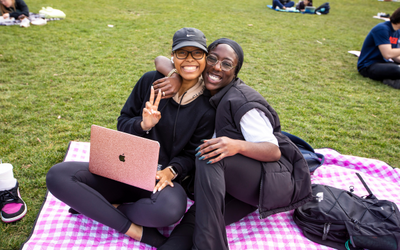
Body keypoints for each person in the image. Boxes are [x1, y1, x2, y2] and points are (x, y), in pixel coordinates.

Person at [46, 27, 216, 248]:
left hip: (158, 181)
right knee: (57, 175)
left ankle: (99, 208)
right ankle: (141, 234)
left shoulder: (207, 106)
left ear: (205, 58)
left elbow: (191, 154)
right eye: (182, 53)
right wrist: (142, 125)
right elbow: (123, 120)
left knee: (170, 211)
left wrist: (171, 170)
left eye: (197, 53)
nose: (189, 59)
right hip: (124, 170)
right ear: (172, 55)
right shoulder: (150, 81)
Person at [152, 38, 312, 250]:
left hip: (269, 180)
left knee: (208, 154)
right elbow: (160, 59)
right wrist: (174, 77)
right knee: (199, 217)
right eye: (212, 59)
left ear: (235, 72)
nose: (217, 67)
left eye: (227, 64)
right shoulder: (208, 82)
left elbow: (273, 151)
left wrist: (237, 146)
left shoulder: (241, 101)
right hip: (238, 183)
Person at [357, 7, 400, 89]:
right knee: (396, 69)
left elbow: (394, 55)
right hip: (368, 66)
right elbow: (387, 54)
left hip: (383, 63)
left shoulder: (397, 31)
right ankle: (392, 80)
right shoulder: (382, 29)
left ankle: (393, 80)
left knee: (396, 68)